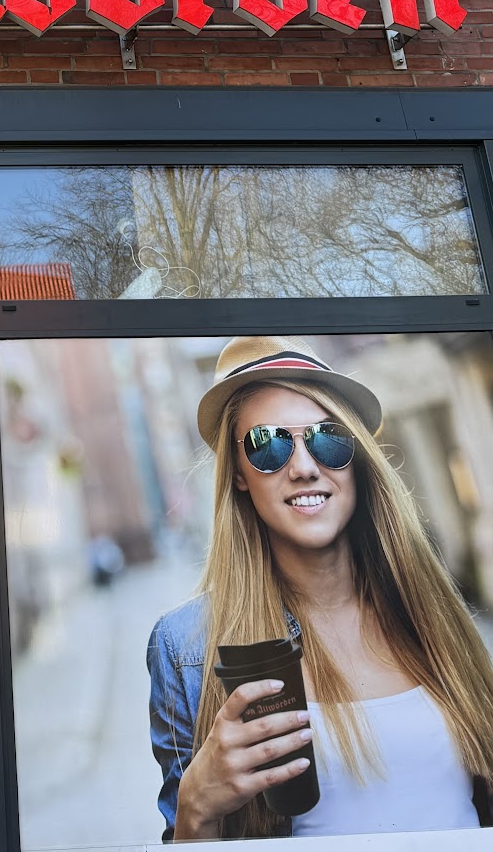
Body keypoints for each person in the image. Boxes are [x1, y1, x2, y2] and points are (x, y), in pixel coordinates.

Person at [148, 337, 493, 841]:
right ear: (239, 474)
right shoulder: (187, 648)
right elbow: (190, 835)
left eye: (327, 438)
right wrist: (196, 811)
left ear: (357, 458)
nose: (305, 467)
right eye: (268, 444)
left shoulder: (424, 604)